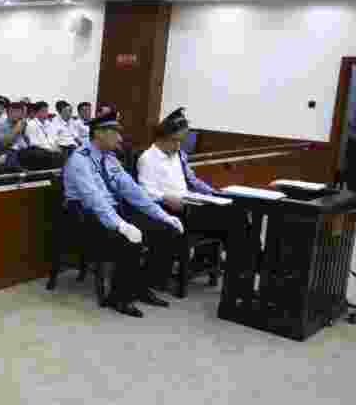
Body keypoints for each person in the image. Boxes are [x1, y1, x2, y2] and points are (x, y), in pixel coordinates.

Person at [62, 109, 184, 317]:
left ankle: (141, 286)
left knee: (165, 230)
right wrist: (121, 225)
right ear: (99, 133)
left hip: (112, 211)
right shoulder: (79, 160)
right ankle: (119, 297)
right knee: (130, 240)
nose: (120, 137)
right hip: (86, 217)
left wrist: (161, 215)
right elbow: (95, 200)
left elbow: (133, 191)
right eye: (115, 132)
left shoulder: (110, 159)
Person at [137, 108, 242, 247]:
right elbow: (146, 191)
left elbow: (192, 179)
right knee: (231, 220)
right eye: (175, 141)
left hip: (190, 203)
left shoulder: (179, 155)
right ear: (162, 137)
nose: (178, 146)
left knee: (237, 214)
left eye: (181, 141)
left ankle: (244, 264)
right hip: (170, 208)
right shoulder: (148, 158)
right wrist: (165, 198)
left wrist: (213, 193)